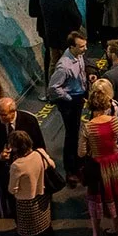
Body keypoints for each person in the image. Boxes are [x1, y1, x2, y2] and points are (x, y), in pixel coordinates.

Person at [79, 83, 118, 236]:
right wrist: (116, 148)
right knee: (116, 197)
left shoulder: (88, 127)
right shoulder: (115, 121)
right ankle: (115, 230)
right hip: (116, 164)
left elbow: (81, 152)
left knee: (96, 200)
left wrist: (91, 150)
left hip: (97, 166)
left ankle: (96, 234)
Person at [0, 96, 45, 217]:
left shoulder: (29, 121)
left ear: (13, 112)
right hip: (7, 172)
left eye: (3, 115)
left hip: (28, 171)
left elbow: (40, 145)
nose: (0, 118)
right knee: (12, 201)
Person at [47, 31, 91, 182]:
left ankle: (76, 163)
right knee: (71, 135)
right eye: (81, 46)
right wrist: (69, 98)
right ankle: (70, 168)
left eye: (85, 45)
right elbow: (53, 87)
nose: (85, 49)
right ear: (72, 47)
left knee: (76, 132)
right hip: (69, 102)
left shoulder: (78, 55)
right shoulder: (63, 66)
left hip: (78, 96)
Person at [6, 130, 56, 236]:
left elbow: (12, 189)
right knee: (44, 225)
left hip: (26, 203)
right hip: (43, 196)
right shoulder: (40, 153)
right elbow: (52, 164)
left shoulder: (17, 165)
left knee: (29, 233)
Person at [39, 0, 82, 74]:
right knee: (68, 63)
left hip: (51, 38)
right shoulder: (67, 0)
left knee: (53, 63)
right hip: (65, 39)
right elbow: (77, 19)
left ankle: (52, 85)